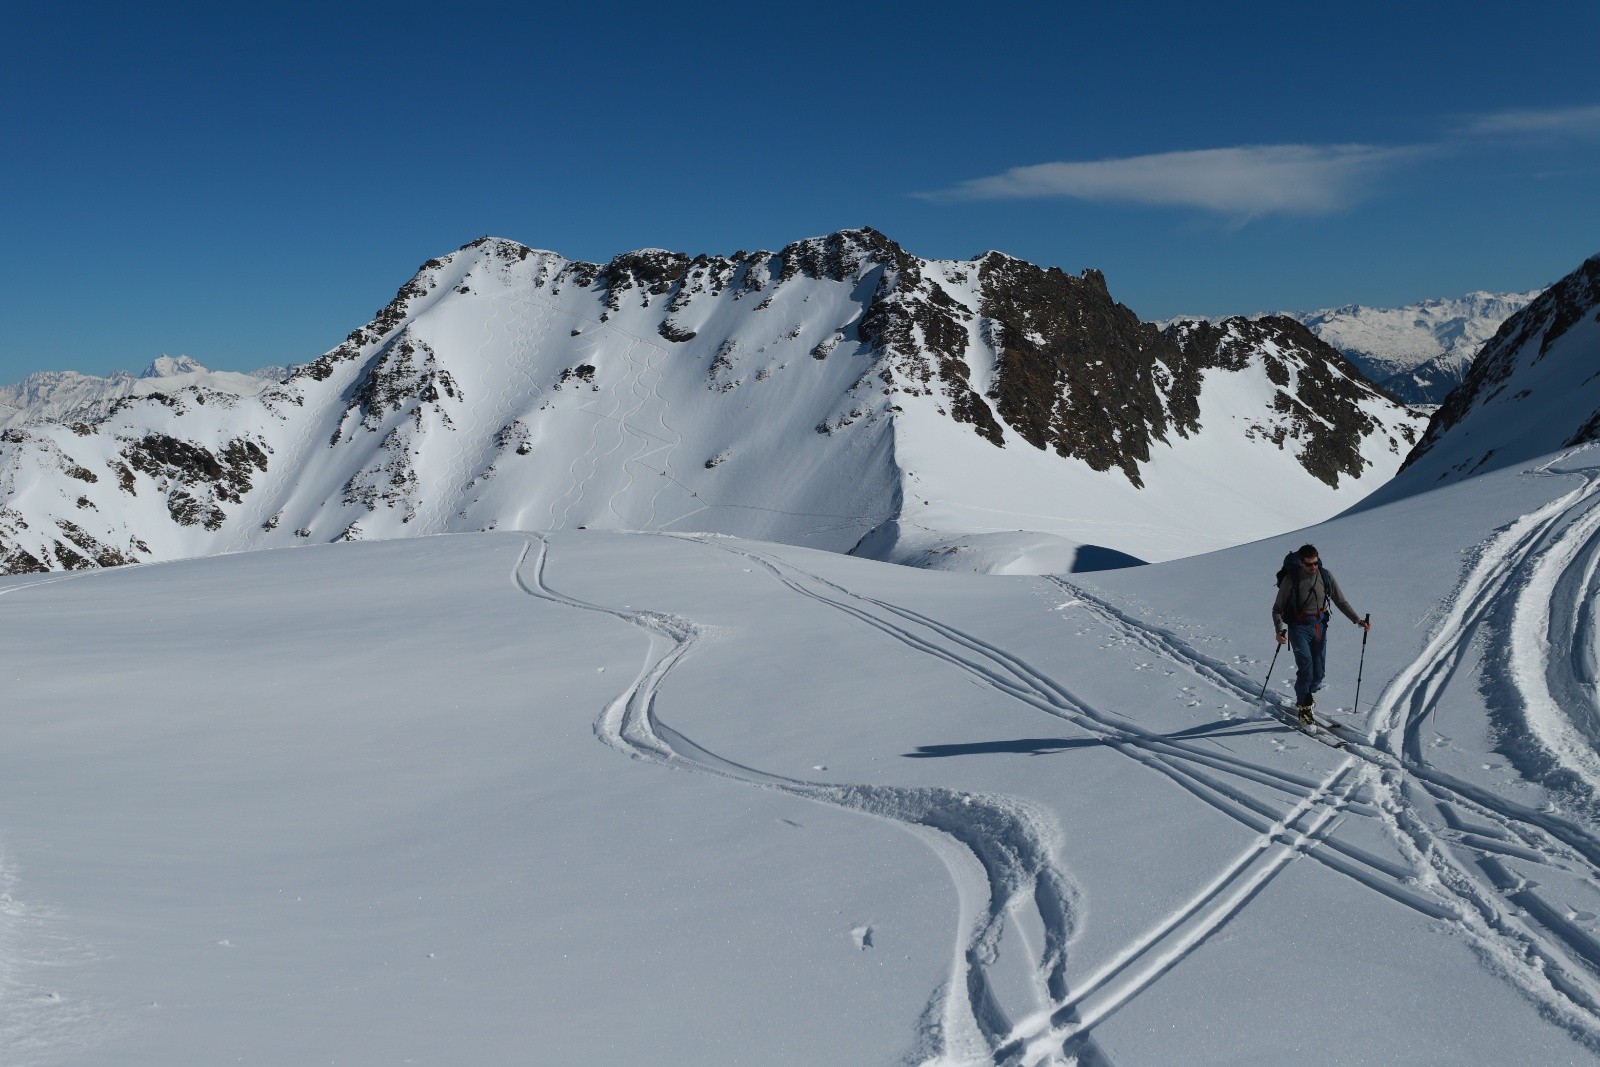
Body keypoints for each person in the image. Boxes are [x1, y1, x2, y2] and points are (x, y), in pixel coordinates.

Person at [1272, 544, 1370, 725]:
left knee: (1319, 672)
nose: (1313, 567)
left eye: (1316, 563)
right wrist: (1279, 629)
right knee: (1306, 668)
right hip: (1298, 627)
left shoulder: (1325, 575)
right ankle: (1304, 706)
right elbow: (1277, 609)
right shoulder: (1291, 580)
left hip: (1319, 626)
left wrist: (1357, 620)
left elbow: (1340, 600)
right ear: (1301, 563)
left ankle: (1307, 695)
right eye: (1309, 565)